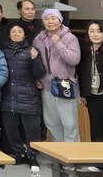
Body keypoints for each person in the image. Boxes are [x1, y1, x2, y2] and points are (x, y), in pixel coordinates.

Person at [32, 8, 80, 142]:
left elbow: (74, 60)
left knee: (70, 125)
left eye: (53, 18)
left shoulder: (70, 38)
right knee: (52, 124)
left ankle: (72, 155)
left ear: (60, 20)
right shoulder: (38, 39)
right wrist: (37, 78)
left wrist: (59, 44)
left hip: (66, 86)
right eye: (46, 19)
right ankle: (58, 154)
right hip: (47, 87)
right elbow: (35, 60)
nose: (50, 21)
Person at [1, 22, 46, 165]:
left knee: (32, 130)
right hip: (8, 95)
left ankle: (32, 155)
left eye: (19, 31)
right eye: (13, 31)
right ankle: (19, 152)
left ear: (25, 35)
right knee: (10, 129)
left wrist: (35, 59)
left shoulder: (32, 50)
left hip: (29, 96)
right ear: (9, 34)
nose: (16, 34)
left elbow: (40, 73)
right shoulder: (3, 51)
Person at [78, 20, 103, 142]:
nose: (95, 34)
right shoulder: (85, 50)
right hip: (92, 96)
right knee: (95, 129)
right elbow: (81, 73)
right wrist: (83, 93)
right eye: (92, 31)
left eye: (99, 31)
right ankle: (97, 154)